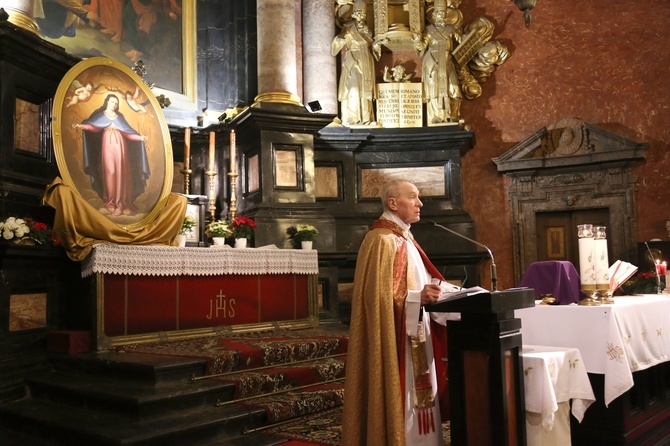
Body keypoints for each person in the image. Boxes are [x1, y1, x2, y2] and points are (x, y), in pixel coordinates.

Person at [342, 179, 456, 445]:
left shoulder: (404, 237)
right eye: (413, 197)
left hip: (416, 332)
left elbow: (425, 278)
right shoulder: (381, 240)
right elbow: (377, 300)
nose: (420, 203)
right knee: (404, 402)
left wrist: (456, 292)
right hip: (396, 343)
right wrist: (418, 297)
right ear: (393, 203)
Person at [73, 93, 151, 217]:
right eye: (112, 102)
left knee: (121, 172)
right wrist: (82, 126)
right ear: (107, 102)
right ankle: (110, 201)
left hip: (120, 146)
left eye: (116, 103)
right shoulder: (100, 115)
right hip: (107, 146)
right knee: (110, 172)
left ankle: (122, 202)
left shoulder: (119, 118)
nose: (114, 105)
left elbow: (128, 133)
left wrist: (140, 137)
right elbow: (93, 127)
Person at [415, 0, 463, 124]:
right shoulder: (429, 30)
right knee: (434, 89)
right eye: (439, 13)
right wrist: (416, 40)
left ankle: (453, 116)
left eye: (443, 13)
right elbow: (422, 47)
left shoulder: (450, 29)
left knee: (454, 88)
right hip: (433, 61)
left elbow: (461, 43)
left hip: (448, 60)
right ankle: (435, 117)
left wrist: (464, 40)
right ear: (434, 15)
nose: (441, 15)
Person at [331, 0, 377, 126]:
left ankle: (366, 118)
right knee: (353, 87)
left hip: (366, 58)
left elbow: (371, 45)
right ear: (354, 13)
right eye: (359, 12)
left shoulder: (367, 29)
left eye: (363, 13)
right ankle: (351, 118)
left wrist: (372, 39)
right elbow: (339, 41)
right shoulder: (348, 27)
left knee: (365, 88)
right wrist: (340, 39)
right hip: (353, 58)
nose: (361, 15)